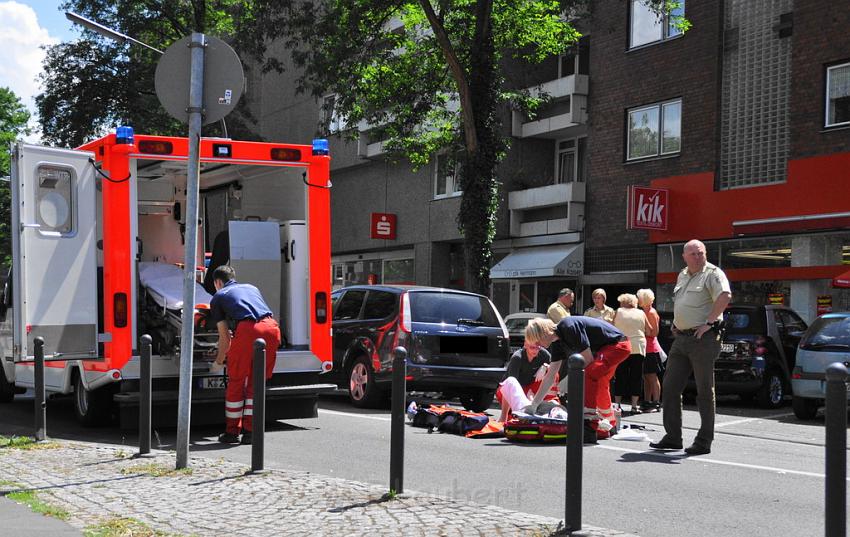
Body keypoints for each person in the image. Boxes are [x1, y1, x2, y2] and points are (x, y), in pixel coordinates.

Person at [650, 240, 731, 456]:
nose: (697, 256)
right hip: (682, 338)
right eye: (692, 254)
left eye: (700, 253)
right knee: (670, 387)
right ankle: (673, 437)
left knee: (705, 391)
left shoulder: (713, 273)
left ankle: (704, 441)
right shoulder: (683, 274)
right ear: (684, 256)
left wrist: (710, 323)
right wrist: (678, 323)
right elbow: (683, 302)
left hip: (702, 339)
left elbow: (725, 296)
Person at [208, 265, 282, 445]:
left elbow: (224, 337)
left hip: (249, 330)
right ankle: (251, 432)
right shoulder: (251, 288)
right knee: (256, 383)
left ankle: (232, 432)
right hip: (272, 328)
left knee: (237, 380)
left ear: (217, 282)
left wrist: (218, 362)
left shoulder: (218, 297)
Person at [523, 316, 631, 432]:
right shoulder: (557, 343)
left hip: (618, 345)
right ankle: (610, 423)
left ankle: (589, 420)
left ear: (544, 333)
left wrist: (570, 379)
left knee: (590, 373)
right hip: (610, 347)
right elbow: (550, 375)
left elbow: (587, 360)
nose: (540, 346)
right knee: (599, 383)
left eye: (538, 341)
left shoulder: (568, 327)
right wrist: (534, 404)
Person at [496, 340, 558, 422]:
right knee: (510, 382)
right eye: (532, 347)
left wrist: (545, 366)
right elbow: (512, 384)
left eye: (538, 347)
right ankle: (504, 417)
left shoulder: (543, 354)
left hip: (529, 388)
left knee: (553, 373)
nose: (535, 350)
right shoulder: (517, 358)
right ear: (525, 345)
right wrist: (528, 397)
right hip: (506, 391)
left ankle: (549, 401)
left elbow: (553, 366)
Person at [612, 293, 647, 415]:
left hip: (623, 346)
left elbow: (612, 327)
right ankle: (634, 406)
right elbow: (649, 329)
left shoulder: (618, 311)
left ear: (623, 302)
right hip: (638, 346)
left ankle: (617, 405)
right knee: (636, 376)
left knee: (620, 375)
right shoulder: (641, 313)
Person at [637, 288, 662, 413]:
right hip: (644, 347)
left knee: (652, 376)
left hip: (650, 348)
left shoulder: (651, 312)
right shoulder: (643, 312)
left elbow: (655, 332)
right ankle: (647, 400)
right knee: (646, 376)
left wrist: (644, 331)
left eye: (639, 297)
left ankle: (656, 401)